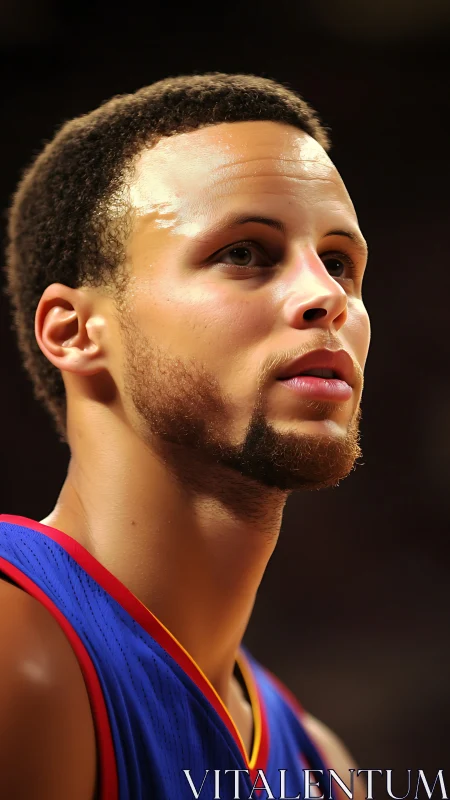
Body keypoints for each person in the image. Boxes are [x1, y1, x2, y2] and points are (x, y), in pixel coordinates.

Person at [1, 72, 370, 800]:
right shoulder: (18, 658)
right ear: (74, 333)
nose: (327, 295)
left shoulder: (326, 765)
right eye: (244, 252)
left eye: (338, 261)